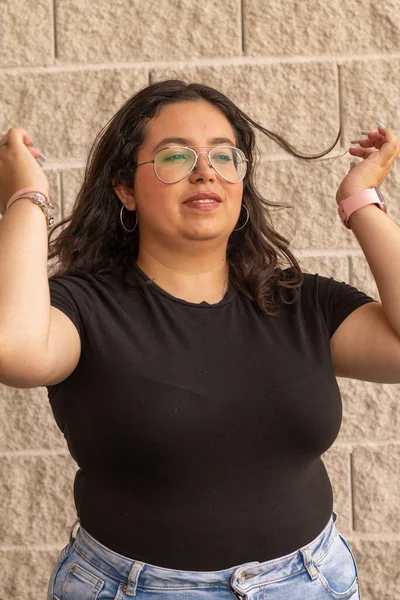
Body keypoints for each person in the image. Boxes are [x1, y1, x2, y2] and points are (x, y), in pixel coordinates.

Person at [0, 80, 399, 600]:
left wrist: (360, 202)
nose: (205, 170)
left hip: (310, 582)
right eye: (175, 156)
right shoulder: (82, 307)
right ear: (125, 187)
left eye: (224, 156)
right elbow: (14, 350)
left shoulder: (300, 302)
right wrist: (26, 197)